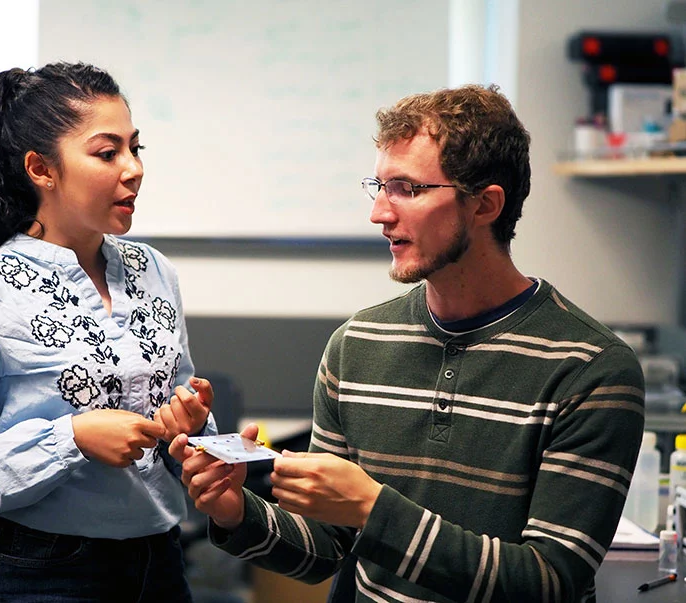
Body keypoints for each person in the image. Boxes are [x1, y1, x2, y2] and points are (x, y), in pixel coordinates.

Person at [169, 84, 645, 602]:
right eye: (378, 186)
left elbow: (549, 581)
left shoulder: (591, 369)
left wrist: (373, 508)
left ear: (485, 205)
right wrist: (237, 511)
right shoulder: (357, 344)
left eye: (407, 189)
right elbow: (327, 548)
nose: (379, 213)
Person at [0, 61, 216, 602]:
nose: (134, 169)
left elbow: (178, 407)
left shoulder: (155, 271)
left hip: (161, 561)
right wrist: (70, 439)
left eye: (136, 148)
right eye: (107, 153)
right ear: (41, 169)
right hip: (43, 572)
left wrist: (189, 424)